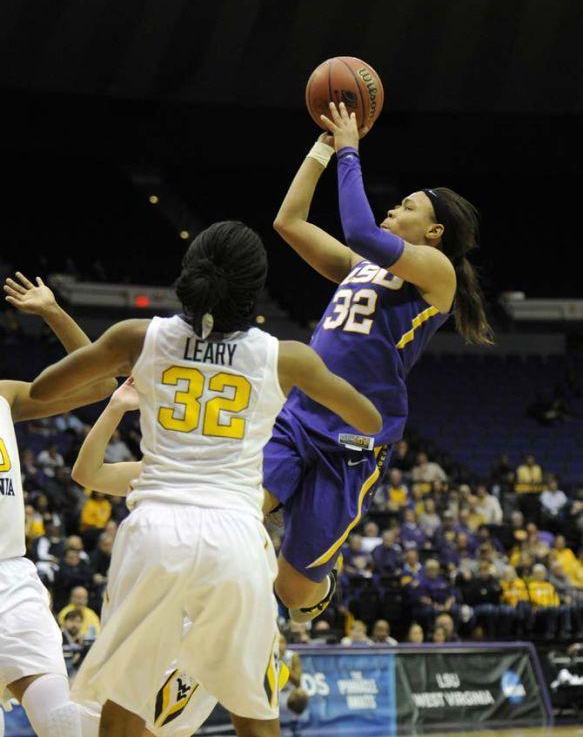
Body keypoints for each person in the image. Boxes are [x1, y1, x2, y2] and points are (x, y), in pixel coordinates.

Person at [31, 221, 381, 737]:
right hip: (235, 537)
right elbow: (368, 420)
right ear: (253, 288)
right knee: (254, 709)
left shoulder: (137, 337)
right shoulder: (285, 357)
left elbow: (42, 391)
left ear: (189, 274)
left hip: (156, 530)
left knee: (124, 703)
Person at [265, 100, 492, 624]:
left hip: (354, 439)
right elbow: (288, 220)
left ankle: (318, 586)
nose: (394, 210)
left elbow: (363, 230)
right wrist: (323, 146)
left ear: (434, 233)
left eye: (408, 207)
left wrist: (351, 150)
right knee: (239, 512)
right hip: (300, 415)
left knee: (295, 594)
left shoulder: (438, 272)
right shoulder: (360, 267)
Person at [0, 273, 115, 736]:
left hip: (11, 576)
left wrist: (53, 312)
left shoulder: (4, 394)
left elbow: (99, 382)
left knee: (63, 723)